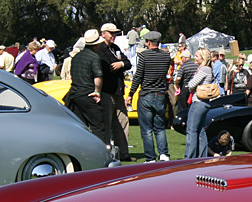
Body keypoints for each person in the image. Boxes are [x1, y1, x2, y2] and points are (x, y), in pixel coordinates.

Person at [127, 31, 172, 162]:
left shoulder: (144, 56)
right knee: (159, 127)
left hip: (146, 93)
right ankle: (164, 153)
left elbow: (138, 77)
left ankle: (150, 157)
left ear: (148, 42)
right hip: (160, 94)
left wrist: (130, 94)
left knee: (146, 129)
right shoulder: (166, 56)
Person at [95, 22, 131, 161]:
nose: (113, 36)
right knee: (107, 123)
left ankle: (124, 152)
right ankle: (105, 154)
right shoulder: (99, 49)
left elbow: (127, 63)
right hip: (106, 91)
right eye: (111, 33)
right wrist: (118, 63)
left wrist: (120, 64)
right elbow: (107, 66)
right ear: (103, 34)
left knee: (123, 121)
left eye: (115, 33)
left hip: (118, 91)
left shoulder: (115, 48)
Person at [66, 29, 107, 142]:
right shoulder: (94, 57)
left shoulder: (76, 57)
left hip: (74, 94)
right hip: (88, 94)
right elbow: (98, 76)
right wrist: (97, 91)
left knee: (79, 127)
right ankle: (100, 153)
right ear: (97, 44)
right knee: (98, 127)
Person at [184, 48, 217, 158]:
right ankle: (202, 156)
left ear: (203, 58)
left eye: (197, 56)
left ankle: (189, 156)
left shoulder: (203, 69)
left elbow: (191, 84)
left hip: (198, 102)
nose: (195, 57)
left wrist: (189, 84)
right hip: (204, 103)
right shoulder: (207, 69)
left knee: (191, 130)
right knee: (200, 130)